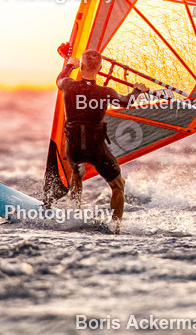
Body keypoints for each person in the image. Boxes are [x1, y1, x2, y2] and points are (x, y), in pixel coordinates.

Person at [55, 50, 148, 227]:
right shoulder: (106, 92)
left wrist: (69, 65)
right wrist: (138, 90)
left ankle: (75, 216)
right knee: (118, 185)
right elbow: (127, 102)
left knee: (77, 171)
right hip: (96, 149)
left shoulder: (68, 85)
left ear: (81, 66)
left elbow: (59, 79)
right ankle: (116, 227)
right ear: (100, 68)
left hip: (73, 149)